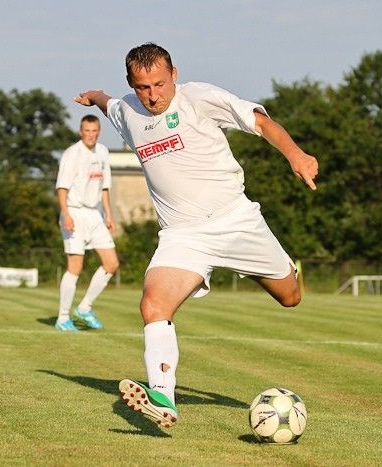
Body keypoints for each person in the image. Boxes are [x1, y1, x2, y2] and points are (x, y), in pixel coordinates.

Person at [74, 43, 318, 427]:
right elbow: (110, 104)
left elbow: (259, 122)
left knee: (290, 297)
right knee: (153, 304)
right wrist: (95, 96)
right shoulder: (128, 110)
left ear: (174, 74)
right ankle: (163, 397)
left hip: (236, 221)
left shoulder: (199, 98)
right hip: (183, 235)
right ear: (131, 85)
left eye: (159, 84)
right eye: (142, 87)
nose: (153, 95)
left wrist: (295, 154)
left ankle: (285, 268)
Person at [54, 115, 120, 332]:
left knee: (111, 263)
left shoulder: (103, 152)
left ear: (99, 132)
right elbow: (62, 188)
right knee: (75, 267)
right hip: (74, 212)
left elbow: (105, 187)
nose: (90, 135)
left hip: (95, 215)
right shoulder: (72, 153)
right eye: (87, 130)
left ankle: (84, 308)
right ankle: (63, 317)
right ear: (80, 132)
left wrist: (109, 215)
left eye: (94, 131)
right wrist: (66, 214)